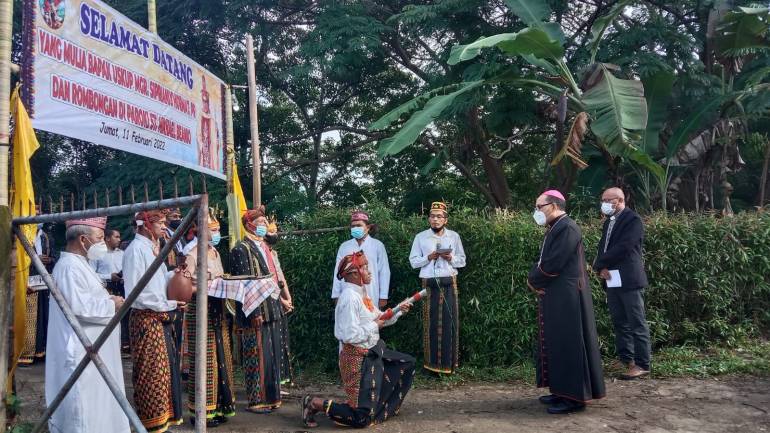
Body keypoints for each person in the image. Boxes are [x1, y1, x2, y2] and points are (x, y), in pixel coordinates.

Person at [301, 251, 415, 428]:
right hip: (357, 358)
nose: (370, 271)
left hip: (373, 351)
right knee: (361, 419)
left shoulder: (362, 294)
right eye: (365, 267)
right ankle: (314, 403)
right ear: (354, 273)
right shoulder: (349, 298)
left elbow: (380, 318)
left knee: (407, 363)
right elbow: (350, 335)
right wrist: (375, 324)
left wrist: (399, 310)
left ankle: (374, 406)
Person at [46, 217, 130, 433]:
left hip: (95, 351)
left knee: (101, 405)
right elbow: (78, 307)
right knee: (83, 410)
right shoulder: (68, 267)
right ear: (83, 240)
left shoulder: (81, 264)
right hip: (80, 354)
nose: (103, 243)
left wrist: (109, 301)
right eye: (100, 238)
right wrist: (111, 304)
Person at [527, 190, 605, 414]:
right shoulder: (556, 227)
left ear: (552, 205)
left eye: (538, 207)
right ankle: (561, 391)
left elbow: (554, 263)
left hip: (568, 294)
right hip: (558, 292)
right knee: (558, 342)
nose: (536, 212)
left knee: (569, 344)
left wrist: (533, 279)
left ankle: (574, 398)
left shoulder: (567, 227)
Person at [123, 210, 185, 432]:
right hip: (146, 319)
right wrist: (169, 304)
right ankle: (150, 424)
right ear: (145, 225)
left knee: (165, 371)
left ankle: (162, 422)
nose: (162, 227)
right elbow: (136, 293)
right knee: (151, 374)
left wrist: (173, 275)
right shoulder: (135, 251)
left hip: (160, 317)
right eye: (159, 223)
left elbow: (156, 283)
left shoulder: (152, 249)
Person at [182, 214, 236, 428]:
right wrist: (206, 285)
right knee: (204, 361)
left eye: (217, 229)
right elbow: (184, 286)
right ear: (200, 231)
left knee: (220, 359)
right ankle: (201, 412)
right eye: (212, 230)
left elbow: (220, 278)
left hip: (217, 309)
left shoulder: (214, 252)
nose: (216, 234)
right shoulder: (192, 254)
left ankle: (218, 408)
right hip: (200, 310)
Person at [229, 206, 284, 413]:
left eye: (264, 223)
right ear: (249, 225)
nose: (264, 226)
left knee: (271, 354)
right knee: (256, 355)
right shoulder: (240, 249)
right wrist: (254, 313)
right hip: (255, 311)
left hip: (272, 307)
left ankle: (272, 397)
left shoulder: (265, 247)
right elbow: (245, 285)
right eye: (260, 223)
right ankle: (256, 400)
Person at [594, 187, 651, 380]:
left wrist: (600, 263)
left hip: (629, 278)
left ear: (618, 200)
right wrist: (600, 268)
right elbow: (604, 246)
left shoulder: (632, 220)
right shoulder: (609, 222)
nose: (603, 203)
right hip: (612, 278)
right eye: (602, 199)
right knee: (620, 322)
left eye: (606, 199)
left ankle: (643, 364)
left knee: (637, 322)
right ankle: (627, 359)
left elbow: (625, 247)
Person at [408, 201, 466, 374]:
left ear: (445, 219)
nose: (435, 220)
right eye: (432, 216)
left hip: (449, 281)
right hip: (430, 283)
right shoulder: (420, 237)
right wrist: (429, 257)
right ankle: (430, 366)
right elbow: (413, 262)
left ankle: (450, 366)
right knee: (430, 323)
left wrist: (450, 258)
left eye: (439, 216)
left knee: (450, 322)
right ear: (428, 219)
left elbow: (462, 260)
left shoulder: (454, 236)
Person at [331, 211, 390, 309]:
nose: (355, 228)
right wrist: (336, 295)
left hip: (371, 291)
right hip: (348, 293)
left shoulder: (377, 245)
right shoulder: (344, 246)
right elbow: (338, 272)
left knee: (371, 321)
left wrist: (383, 296)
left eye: (358, 225)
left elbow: (384, 271)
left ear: (368, 227)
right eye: (353, 226)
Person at [19, 221, 55, 365]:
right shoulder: (22, 236)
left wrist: (49, 259)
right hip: (27, 282)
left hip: (43, 282)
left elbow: (54, 256)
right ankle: (25, 354)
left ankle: (41, 352)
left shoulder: (46, 237)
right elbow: (19, 259)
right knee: (29, 318)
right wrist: (35, 260)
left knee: (43, 317)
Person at [265, 221, 294, 386]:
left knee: (282, 341)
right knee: (272, 343)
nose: (274, 234)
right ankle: (272, 383)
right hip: (269, 302)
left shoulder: (273, 254)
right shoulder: (261, 253)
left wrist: (288, 297)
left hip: (280, 300)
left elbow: (280, 278)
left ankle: (279, 382)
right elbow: (267, 283)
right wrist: (281, 300)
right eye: (271, 231)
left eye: (275, 231)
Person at [91, 227, 129, 351]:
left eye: (119, 236)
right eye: (116, 237)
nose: (119, 239)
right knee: (110, 318)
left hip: (122, 288)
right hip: (106, 289)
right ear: (107, 238)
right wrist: (109, 276)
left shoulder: (123, 254)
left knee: (124, 317)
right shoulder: (97, 255)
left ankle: (125, 344)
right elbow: (91, 274)